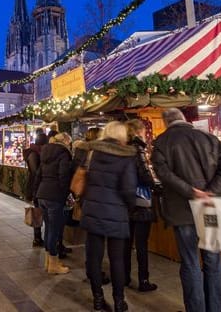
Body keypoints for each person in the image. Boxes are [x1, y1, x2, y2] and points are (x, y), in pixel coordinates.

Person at [151, 108, 221, 312]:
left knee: (189, 261)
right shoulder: (209, 138)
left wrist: (191, 192)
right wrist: (210, 192)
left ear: (165, 122)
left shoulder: (161, 143)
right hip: (209, 209)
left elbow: (164, 175)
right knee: (213, 260)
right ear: (184, 119)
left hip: (182, 212)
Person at [79, 121, 137, 312]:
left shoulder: (92, 153)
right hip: (116, 212)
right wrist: (129, 207)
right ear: (122, 136)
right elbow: (129, 190)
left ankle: (97, 299)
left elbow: (84, 179)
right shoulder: (127, 157)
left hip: (93, 210)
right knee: (117, 259)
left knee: (94, 258)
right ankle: (119, 302)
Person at [72, 126, 111, 286]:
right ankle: (95, 274)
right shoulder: (96, 153)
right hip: (96, 199)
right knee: (97, 240)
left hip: (85, 198)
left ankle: (92, 271)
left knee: (92, 239)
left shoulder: (80, 151)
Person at [124, 119, 158, 292]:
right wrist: (155, 184)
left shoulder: (123, 148)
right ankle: (143, 280)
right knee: (142, 244)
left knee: (126, 243)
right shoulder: (138, 149)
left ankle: (124, 276)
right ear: (138, 131)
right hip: (141, 201)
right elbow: (145, 175)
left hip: (126, 202)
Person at [35, 132, 72, 274]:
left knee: (49, 228)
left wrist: (35, 194)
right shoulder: (63, 153)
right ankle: (53, 265)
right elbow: (64, 176)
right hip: (54, 196)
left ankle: (49, 261)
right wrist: (64, 194)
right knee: (54, 231)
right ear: (65, 142)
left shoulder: (45, 152)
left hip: (42, 194)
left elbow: (39, 174)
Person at [23, 131, 48, 247]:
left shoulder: (35, 152)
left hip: (36, 186)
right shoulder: (33, 153)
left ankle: (38, 238)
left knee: (38, 211)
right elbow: (35, 171)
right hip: (35, 186)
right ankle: (37, 239)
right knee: (37, 212)